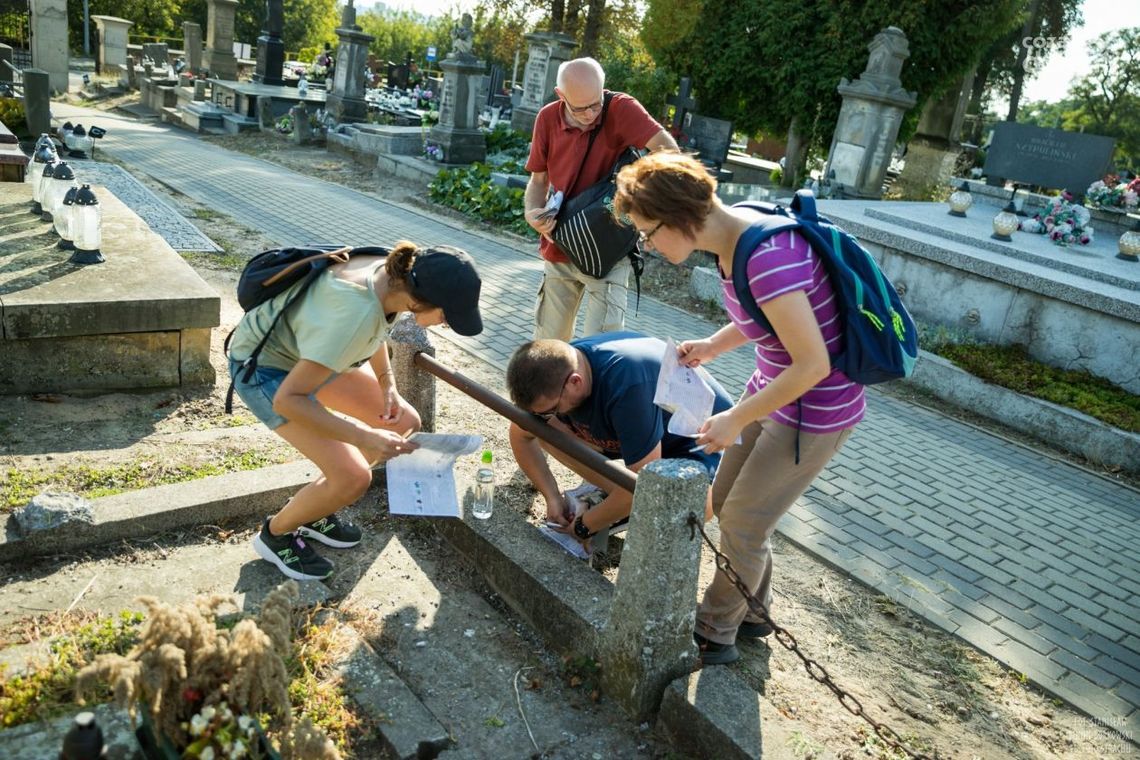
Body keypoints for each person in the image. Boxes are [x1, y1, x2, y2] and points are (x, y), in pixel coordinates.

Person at [613, 152, 865, 665]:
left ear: (678, 218)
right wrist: (712, 346)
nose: (648, 246)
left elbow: (812, 363)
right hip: (770, 393)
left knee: (745, 523)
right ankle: (754, 611)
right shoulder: (736, 238)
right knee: (728, 505)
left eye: (647, 233)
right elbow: (764, 315)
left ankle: (714, 631)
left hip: (813, 413)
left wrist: (737, 417)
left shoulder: (767, 257)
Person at [227, 242, 483, 581]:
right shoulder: (355, 314)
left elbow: (374, 324)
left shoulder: (395, 274)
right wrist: (364, 437)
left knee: (404, 422)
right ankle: (276, 534)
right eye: (447, 316)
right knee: (353, 478)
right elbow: (288, 401)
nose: (445, 324)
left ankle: (317, 505)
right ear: (419, 300)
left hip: (314, 352)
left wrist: (387, 381)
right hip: (266, 369)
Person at [506, 332, 733, 541]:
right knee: (529, 426)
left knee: (693, 508)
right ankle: (613, 499)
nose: (548, 416)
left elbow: (642, 484)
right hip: (636, 429)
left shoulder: (627, 386)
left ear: (575, 381)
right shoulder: (561, 367)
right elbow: (520, 431)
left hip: (690, 441)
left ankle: (620, 509)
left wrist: (585, 526)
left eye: (552, 410)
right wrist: (553, 498)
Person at [523, 58, 677, 342]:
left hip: (611, 252)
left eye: (596, 104)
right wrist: (532, 212)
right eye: (580, 108)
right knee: (548, 348)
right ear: (560, 95)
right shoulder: (547, 118)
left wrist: (639, 197)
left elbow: (669, 152)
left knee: (602, 349)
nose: (591, 114)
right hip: (561, 245)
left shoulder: (621, 108)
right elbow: (539, 181)